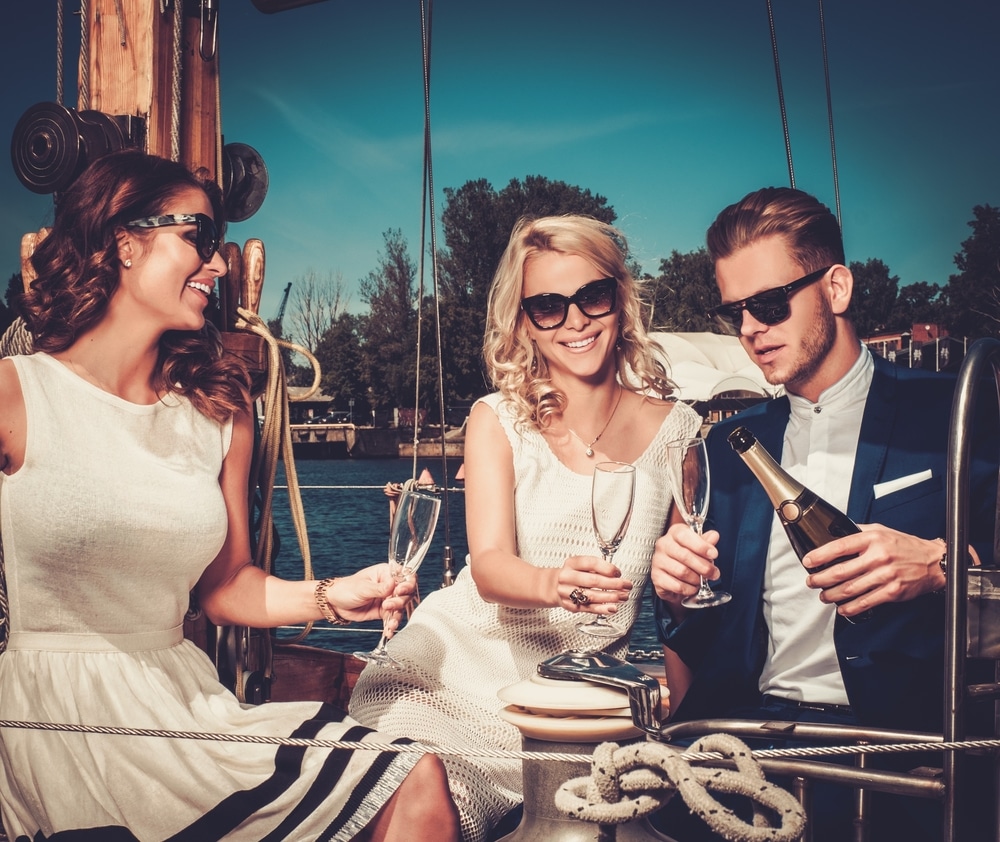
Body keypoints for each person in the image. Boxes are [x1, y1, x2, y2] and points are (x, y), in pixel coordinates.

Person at [0, 149, 459, 842]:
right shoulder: (16, 393)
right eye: (199, 239)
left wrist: (336, 594)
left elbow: (226, 587)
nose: (218, 266)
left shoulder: (218, 409)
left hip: (186, 710)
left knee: (413, 775)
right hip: (54, 720)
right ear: (125, 241)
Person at [650, 186, 998, 841]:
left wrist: (936, 566)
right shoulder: (727, 446)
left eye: (769, 305)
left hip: (901, 757)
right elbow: (696, 632)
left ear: (835, 288)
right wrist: (674, 587)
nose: (751, 330)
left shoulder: (955, 414)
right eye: (736, 314)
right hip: (743, 746)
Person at [349, 214, 702, 841]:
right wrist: (553, 583)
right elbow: (487, 566)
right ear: (524, 323)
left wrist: (688, 726)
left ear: (620, 299)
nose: (575, 321)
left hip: (576, 708)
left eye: (592, 296)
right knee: (422, 807)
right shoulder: (497, 419)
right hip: (447, 680)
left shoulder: (680, 433)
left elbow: (682, 604)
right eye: (547, 306)